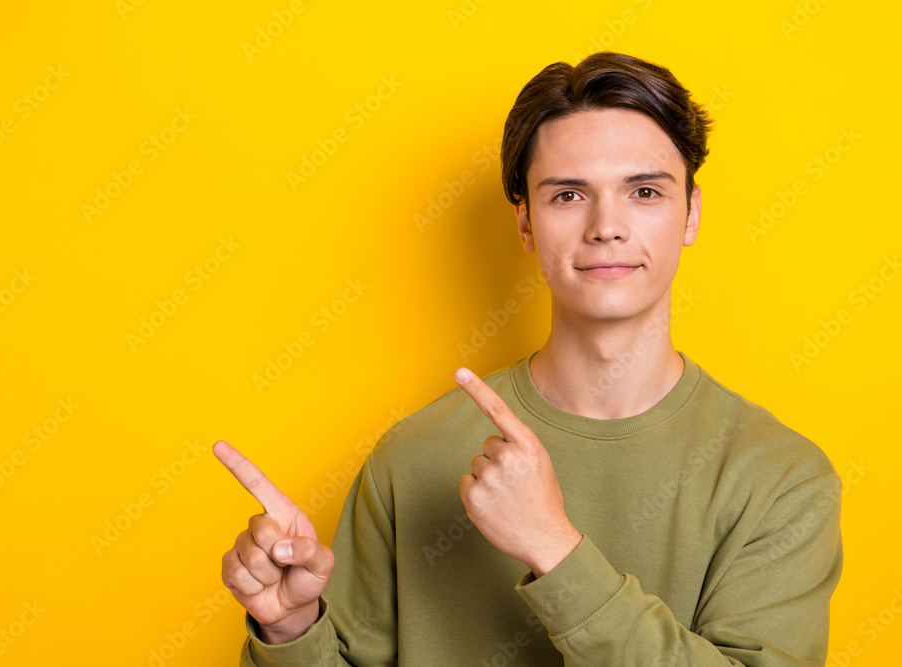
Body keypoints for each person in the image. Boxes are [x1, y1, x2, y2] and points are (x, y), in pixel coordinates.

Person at [213, 51, 843, 665]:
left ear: (691, 213)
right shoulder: (415, 458)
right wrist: (291, 630)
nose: (607, 226)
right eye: (568, 196)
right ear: (526, 225)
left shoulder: (782, 479)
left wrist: (552, 546)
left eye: (645, 191)